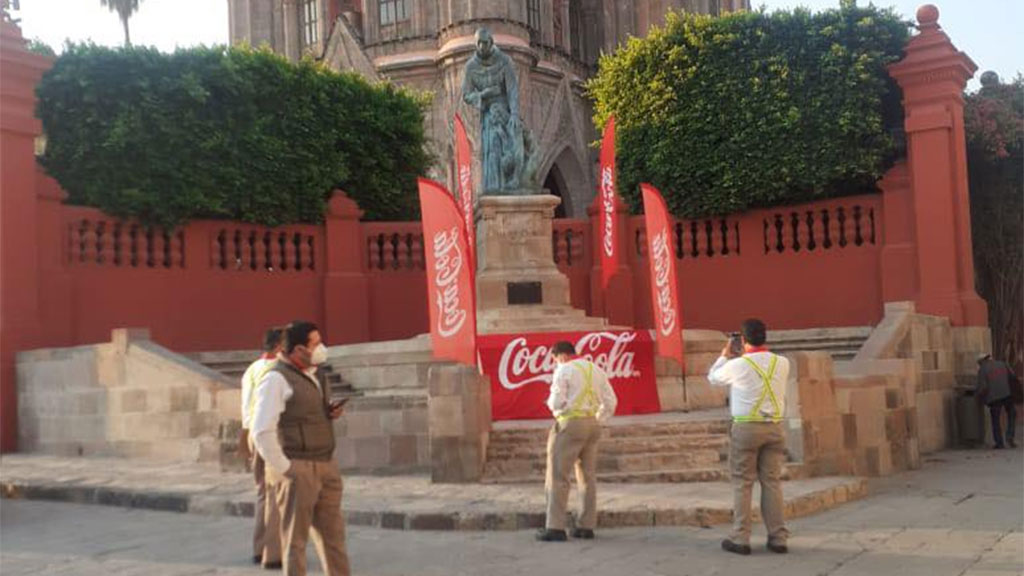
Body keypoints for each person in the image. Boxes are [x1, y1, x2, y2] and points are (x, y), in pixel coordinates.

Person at [251, 321, 350, 576]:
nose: (321, 348)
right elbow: (262, 430)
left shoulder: (315, 374)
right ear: (297, 350)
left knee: (334, 537)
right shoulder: (275, 379)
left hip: (325, 462)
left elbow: (304, 412)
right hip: (298, 465)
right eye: (315, 343)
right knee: (295, 542)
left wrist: (329, 412)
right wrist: (286, 468)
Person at [708, 319, 791, 555]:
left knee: (743, 483)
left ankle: (741, 537)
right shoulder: (782, 363)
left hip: (746, 428)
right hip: (774, 428)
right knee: (772, 483)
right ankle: (778, 537)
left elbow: (713, 378)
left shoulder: (738, 365)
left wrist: (725, 355)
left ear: (743, 341)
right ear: (766, 337)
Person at [536, 341, 618, 542]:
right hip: (592, 424)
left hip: (570, 424)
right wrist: (598, 418)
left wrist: (556, 409)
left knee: (558, 475)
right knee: (587, 477)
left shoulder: (564, 370)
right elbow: (611, 401)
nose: (555, 363)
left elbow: (556, 401)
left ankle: (555, 526)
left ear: (560, 355)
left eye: (554, 359)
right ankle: (585, 525)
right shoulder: (595, 369)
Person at [240, 326, 285, 568]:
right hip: (272, 433)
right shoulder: (277, 370)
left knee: (262, 494)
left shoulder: (252, 369)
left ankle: (259, 548)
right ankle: (274, 550)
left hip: (253, 433)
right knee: (277, 493)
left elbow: (246, 406)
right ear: (279, 346)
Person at [976, 353, 1017, 449]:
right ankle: (1010, 437)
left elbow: (983, 387)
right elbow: (1012, 376)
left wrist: (979, 397)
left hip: (994, 398)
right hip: (1007, 394)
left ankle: (999, 442)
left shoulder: (982, 370)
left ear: (981, 361)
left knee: (995, 420)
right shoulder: (1002, 364)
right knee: (1012, 414)